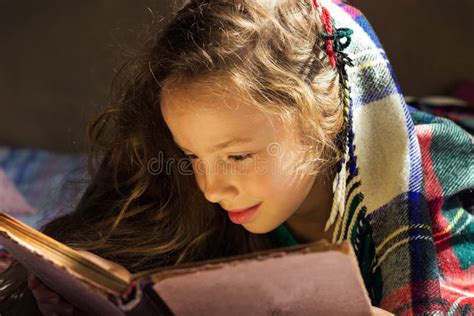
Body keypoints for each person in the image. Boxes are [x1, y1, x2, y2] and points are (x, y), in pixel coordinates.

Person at [1, 0, 473, 315]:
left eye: (239, 156)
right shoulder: (195, 189)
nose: (210, 188)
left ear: (324, 119)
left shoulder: (444, 183)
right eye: (192, 156)